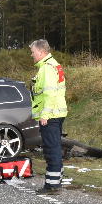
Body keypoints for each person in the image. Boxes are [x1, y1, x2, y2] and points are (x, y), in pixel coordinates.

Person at [30, 39, 67, 194]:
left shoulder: (46, 68)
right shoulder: (53, 65)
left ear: (41, 52)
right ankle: (56, 180)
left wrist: (45, 115)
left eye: (33, 52)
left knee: (51, 150)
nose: (31, 55)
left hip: (50, 115)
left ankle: (52, 185)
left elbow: (50, 93)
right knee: (55, 148)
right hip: (56, 113)